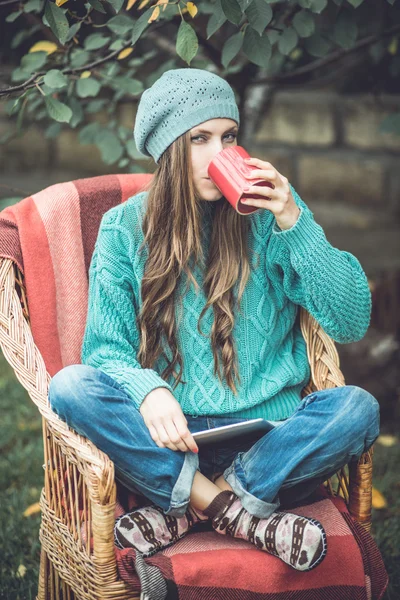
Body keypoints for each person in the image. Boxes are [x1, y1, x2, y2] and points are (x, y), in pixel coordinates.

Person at [48, 68, 380, 572]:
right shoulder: (124, 230)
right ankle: (240, 514)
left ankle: (193, 510)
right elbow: (103, 351)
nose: (217, 153)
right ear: (168, 149)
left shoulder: (270, 215)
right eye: (199, 138)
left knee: (357, 408)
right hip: (171, 441)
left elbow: (352, 320)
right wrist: (148, 391)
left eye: (228, 137)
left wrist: (295, 222)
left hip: (270, 441)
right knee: (71, 386)